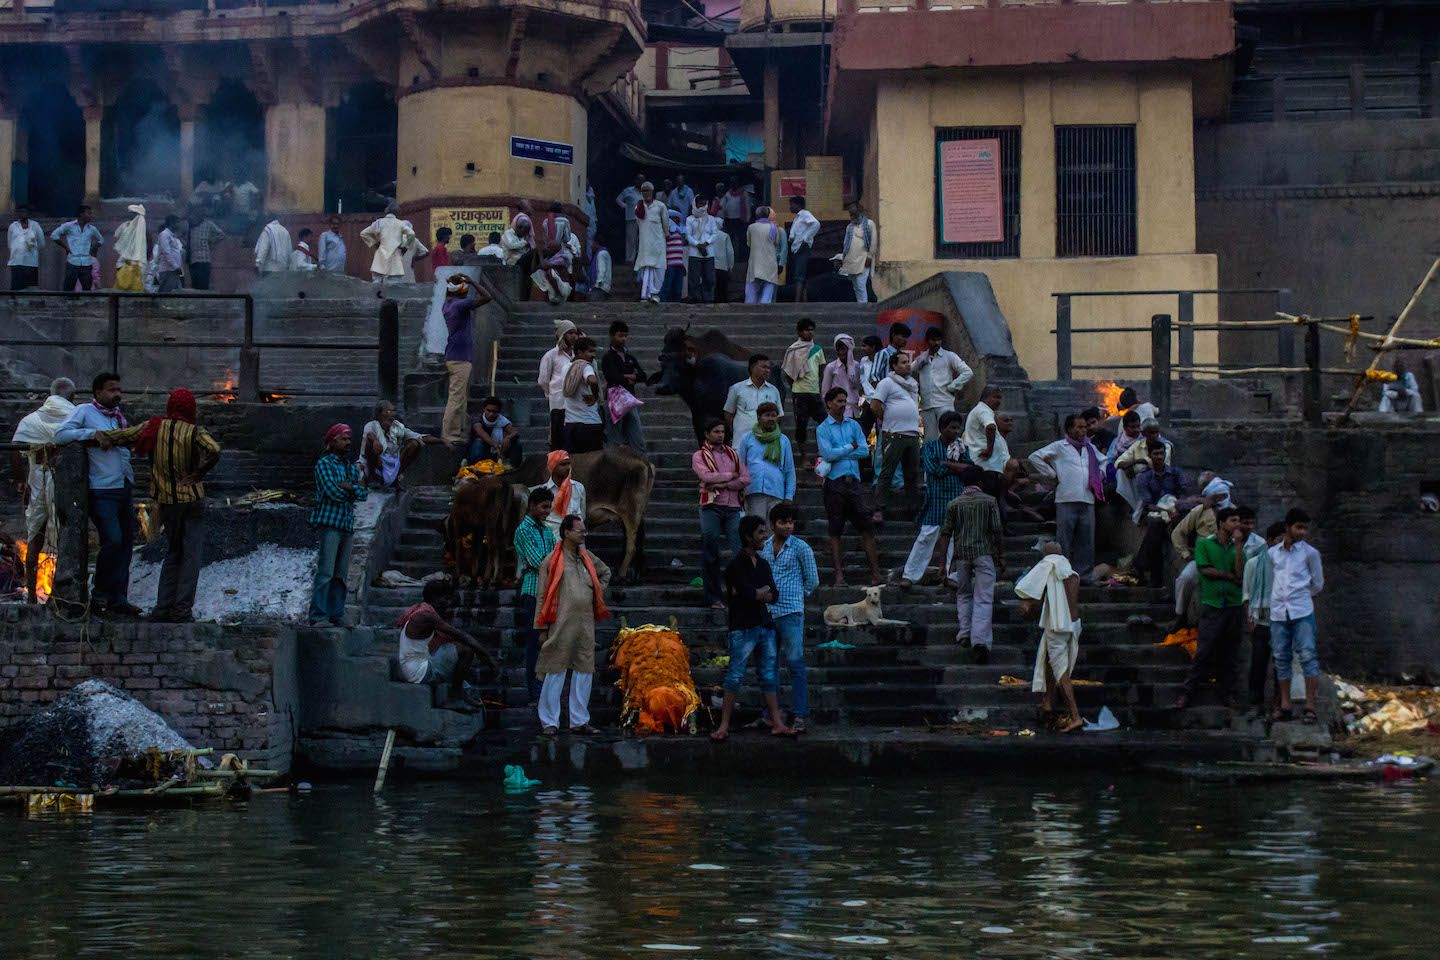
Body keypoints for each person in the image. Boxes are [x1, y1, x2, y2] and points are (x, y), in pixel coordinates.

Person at [101, 388, 221, 623]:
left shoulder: (153, 426)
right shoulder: (194, 431)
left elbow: (123, 436)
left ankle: (163, 607)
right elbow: (214, 450)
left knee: (173, 553)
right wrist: (199, 473)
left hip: (166, 502)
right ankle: (182, 610)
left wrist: (99, 436)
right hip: (192, 501)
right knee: (190, 556)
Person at [54, 373, 140, 616]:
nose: (117, 394)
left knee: (125, 544)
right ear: (98, 393)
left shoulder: (118, 417)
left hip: (123, 485)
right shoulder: (84, 412)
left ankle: (118, 598)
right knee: (112, 540)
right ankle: (100, 593)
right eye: (112, 390)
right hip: (102, 489)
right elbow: (61, 435)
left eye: (118, 389)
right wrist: (90, 434)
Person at [711, 514, 795, 741]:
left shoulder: (764, 563)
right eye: (760, 532)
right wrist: (757, 593)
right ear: (748, 536)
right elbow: (750, 593)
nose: (765, 537)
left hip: (763, 624)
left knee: (768, 675)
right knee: (735, 676)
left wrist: (757, 593)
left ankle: (777, 722)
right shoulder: (736, 565)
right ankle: (724, 725)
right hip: (742, 626)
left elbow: (772, 594)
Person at [534, 514, 611, 735]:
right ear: (567, 533)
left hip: (585, 623)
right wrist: (540, 628)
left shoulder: (587, 557)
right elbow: (542, 596)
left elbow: (605, 573)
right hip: (560, 623)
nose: (584, 534)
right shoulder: (551, 561)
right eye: (580, 531)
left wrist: (595, 590)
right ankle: (549, 721)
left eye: (584, 530)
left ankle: (579, 720)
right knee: (555, 670)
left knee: (584, 670)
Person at [1173, 506, 1247, 711]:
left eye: (1238, 521)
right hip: (1213, 604)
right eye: (1233, 521)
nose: (1237, 525)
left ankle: (1227, 693)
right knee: (1203, 651)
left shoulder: (1237, 547)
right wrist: (1228, 576)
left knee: (1230, 653)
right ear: (1222, 523)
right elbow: (1205, 569)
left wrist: (1239, 546)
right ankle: (1188, 693)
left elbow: (1240, 574)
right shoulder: (1204, 544)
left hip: (1233, 603)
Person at [10, 378, 77, 602]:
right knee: (66, 532)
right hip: (64, 479)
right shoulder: (76, 417)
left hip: (38, 478)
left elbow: (15, 447)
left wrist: (22, 482)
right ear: (72, 397)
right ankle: (61, 593)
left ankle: (32, 595)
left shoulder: (31, 420)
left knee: (35, 536)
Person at [937, 465, 1005, 662]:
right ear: (981, 483)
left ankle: (965, 632)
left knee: (964, 594)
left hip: (961, 555)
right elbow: (997, 531)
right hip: (984, 553)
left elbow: (945, 533)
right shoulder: (990, 501)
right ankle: (980, 641)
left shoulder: (954, 504)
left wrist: (943, 563)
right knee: (983, 597)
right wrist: (1002, 556)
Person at [817, 387, 883, 586]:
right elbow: (827, 455)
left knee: (866, 527)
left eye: (844, 401)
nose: (843, 404)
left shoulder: (853, 425)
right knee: (835, 530)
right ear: (829, 403)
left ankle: (876, 574)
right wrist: (849, 447)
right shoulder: (823, 428)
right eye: (838, 401)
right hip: (834, 483)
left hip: (853, 482)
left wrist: (842, 452)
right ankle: (839, 576)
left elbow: (864, 451)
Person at [395, 581, 498, 707]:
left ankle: (459, 691)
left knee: (455, 648)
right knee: (466, 649)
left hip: (413, 668)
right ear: (434, 597)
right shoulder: (427, 615)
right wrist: (490, 660)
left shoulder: (422, 609)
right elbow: (462, 636)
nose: (448, 603)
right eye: (445, 598)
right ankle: (455, 696)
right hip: (418, 672)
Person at [1015, 543, 1083, 732]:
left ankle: (1075, 716)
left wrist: (1028, 605)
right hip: (1073, 624)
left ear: (1045, 556)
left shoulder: (1048, 566)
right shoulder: (1072, 572)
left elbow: (1035, 591)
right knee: (1047, 659)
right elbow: (1054, 593)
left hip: (1057, 625)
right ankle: (1047, 703)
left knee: (1061, 672)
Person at [1028, 414, 1104, 581]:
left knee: (1086, 541)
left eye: (1085, 427)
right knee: (1065, 539)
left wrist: (1099, 475)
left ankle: (1084, 576)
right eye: (1079, 427)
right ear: (1069, 429)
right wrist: (1051, 473)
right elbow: (1034, 457)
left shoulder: (1090, 448)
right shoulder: (1059, 446)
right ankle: (1063, 574)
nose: (1083, 430)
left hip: (1087, 499)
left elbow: (1104, 461)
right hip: (1065, 499)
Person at [765, 502, 818, 732]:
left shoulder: (800, 548)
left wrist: (796, 596)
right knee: (770, 666)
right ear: (773, 525)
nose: (788, 526)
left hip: (791, 612)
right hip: (767, 613)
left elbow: (812, 580)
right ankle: (770, 714)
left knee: (795, 665)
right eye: (783, 522)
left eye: (790, 522)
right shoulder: (764, 547)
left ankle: (799, 715)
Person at [1268, 508, 1325, 724]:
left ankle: (1310, 706)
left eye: (1305, 528)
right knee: (1281, 658)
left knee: (1308, 656)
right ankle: (1285, 704)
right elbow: (1272, 580)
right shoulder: (1273, 553)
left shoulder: (1310, 553)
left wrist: (1300, 596)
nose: (1302, 532)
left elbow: (1318, 584)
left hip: (1302, 611)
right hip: (1278, 613)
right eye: (1298, 527)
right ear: (1287, 528)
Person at [308, 424, 368, 626]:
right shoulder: (324, 464)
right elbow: (333, 492)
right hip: (330, 523)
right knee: (325, 572)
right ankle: (318, 616)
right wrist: (353, 489)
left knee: (341, 575)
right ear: (332, 441)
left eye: (349, 439)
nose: (348, 443)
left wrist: (349, 487)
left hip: (346, 524)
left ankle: (336, 613)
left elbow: (363, 493)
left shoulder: (349, 467)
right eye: (344, 439)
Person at [899, 411, 967, 588]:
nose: (956, 431)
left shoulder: (961, 448)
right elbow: (933, 469)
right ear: (942, 428)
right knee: (926, 536)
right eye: (952, 428)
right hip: (936, 498)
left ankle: (951, 575)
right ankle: (910, 575)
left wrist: (948, 464)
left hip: (956, 496)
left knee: (954, 539)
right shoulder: (929, 447)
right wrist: (956, 468)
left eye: (958, 428)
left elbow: (969, 468)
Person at [693, 417, 749, 609]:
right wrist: (730, 477)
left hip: (733, 507)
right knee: (710, 549)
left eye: (722, 432)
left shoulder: (733, 454)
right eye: (716, 432)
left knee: (738, 551)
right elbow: (705, 477)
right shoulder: (699, 455)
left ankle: (739, 592)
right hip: (711, 506)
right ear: (707, 434)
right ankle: (713, 597)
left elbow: (746, 478)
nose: (720, 435)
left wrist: (723, 484)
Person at [513, 488, 558, 702]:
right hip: (532, 591)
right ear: (532, 506)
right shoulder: (523, 530)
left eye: (549, 507)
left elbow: (554, 559)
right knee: (534, 642)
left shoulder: (548, 532)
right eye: (543, 507)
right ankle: (534, 688)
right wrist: (554, 565)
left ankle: (544, 686)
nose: (547, 511)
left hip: (550, 591)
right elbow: (537, 561)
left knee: (547, 641)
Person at [1243, 520, 1285, 718]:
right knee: (1258, 664)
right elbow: (1247, 594)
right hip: (1261, 621)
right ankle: (1255, 704)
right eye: (1279, 540)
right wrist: (1250, 620)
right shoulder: (1253, 563)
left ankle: (1278, 704)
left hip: (1283, 621)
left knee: (1281, 665)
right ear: (1269, 541)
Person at [872, 351, 923, 512]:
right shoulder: (887, 382)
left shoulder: (912, 384)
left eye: (908, 361)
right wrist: (887, 418)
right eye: (903, 362)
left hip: (913, 435)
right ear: (894, 365)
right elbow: (875, 405)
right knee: (887, 472)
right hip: (894, 434)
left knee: (912, 474)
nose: (907, 364)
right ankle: (879, 508)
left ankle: (912, 508)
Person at [1130, 441, 1186, 588]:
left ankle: (1140, 564)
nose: (1160, 456)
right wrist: (1165, 511)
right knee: (1156, 525)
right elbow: (1148, 504)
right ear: (1149, 455)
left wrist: (1175, 509)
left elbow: (1183, 496)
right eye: (1156, 454)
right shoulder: (1144, 477)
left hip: (1175, 510)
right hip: (1154, 512)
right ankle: (1152, 576)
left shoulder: (1175, 473)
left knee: (1157, 532)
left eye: (1162, 453)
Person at [442, 273, 490, 443]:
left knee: (460, 398)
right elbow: (487, 297)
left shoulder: (448, 304)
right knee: (456, 398)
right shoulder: (459, 306)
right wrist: (473, 282)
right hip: (460, 358)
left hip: (455, 355)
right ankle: (449, 435)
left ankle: (459, 433)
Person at [361, 400, 442, 487]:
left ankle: (395, 478)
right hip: (375, 467)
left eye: (393, 411)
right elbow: (370, 434)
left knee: (414, 444)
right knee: (371, 443)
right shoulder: (372, 425)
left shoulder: (397, 428)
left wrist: (442, 441)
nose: (392, 414)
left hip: (392, 467)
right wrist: (376, 441)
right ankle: (373, 479)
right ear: (380, 414)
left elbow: (420, 437)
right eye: (388, 411)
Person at [912, 326, 973, 440]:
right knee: (930, 440)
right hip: (927, 406)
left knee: (949, 436)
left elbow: (967, 372)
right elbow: (909, 371)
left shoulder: (949, 356)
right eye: (933, 340)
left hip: (945, 403)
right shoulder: (922, 358)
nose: (936, 343)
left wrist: (953, 386)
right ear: (927, 341)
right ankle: (932, 458)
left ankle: (949, 458)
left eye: (939, 340)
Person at [600, 320, 649, 455]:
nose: (623, 339)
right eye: (620, 335)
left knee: (637, 440)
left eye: (625, 336)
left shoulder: (630, 357)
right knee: (614, 441)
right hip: (614, 402)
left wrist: (630, 377)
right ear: (611, 336)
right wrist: (630, 376)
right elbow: (612, 377)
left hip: (630, 401)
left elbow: (643, 375)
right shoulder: (608, 358)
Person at [739, 402, 795, 520]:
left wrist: (789, 496)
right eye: (767, 415)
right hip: (754, 490)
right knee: (756, 530)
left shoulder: (783, 440)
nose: (771, 419)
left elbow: (789, 470)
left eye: (774, 416)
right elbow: (740, 466)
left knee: (773, 533)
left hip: (777, 491)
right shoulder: (747, 438)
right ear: (759, 417)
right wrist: (740, 490)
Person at [781, 319, 826, 459]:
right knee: (801, 426)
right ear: (800, 332)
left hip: (814, 391)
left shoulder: (818, 349)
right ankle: (804, 457)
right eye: (807, 329)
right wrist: (796, 386)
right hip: (800, 393)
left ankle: (824, 452)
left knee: (825, 422)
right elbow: (788, 373)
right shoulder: (793, 349)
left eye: (812, 329)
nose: (810, 332)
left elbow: (821, 370)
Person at [724, 354, 784, 443]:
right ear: (752, 368)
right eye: (763, 367)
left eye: (768, 368)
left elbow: (778, 416)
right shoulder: (737, 388)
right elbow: (728, 414)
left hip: (766, 443)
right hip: (741, 441)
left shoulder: (773, 390)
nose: (767, 371)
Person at [539, 319, 579, 451]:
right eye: (570, 333)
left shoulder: (576, 355)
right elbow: (543, 380)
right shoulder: (550, 355)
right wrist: (552, 393)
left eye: (575, 333)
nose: (574, 336)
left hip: (573, 402)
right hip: (558, 401)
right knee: (557, 436)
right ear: (562, 335)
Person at [562, 336, 604, 454]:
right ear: (579, 352)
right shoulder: (585, 366)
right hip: (589, 424)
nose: (593, 355)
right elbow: (593, 380)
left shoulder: (566, 368)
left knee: (574, 464)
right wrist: (595, 396)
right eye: (590, 351)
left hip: (570, 424)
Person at [360, 202, 416, 283]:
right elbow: (411, 234)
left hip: (381, 254)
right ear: (398, 212)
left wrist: (375, 243)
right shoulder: (401, 224)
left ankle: (377, 295)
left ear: (386, 211)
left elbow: (364, 233)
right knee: (393, 282)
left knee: (377, 281)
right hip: (395, 254)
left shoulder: (379, 222)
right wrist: (405, 247)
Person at [51, 205, 104, 290]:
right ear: (81, 214)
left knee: (87, 289)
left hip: (86, 262)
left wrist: (93, 246)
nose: (90, 216)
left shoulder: (92, 229)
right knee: (68, 288)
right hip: (73, 261)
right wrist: (66, 247)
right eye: (88, 213)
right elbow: (54, 235)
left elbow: (101, 240)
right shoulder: (69, 226)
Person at [534, 450, 585, 537]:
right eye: (563, 464)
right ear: (553, 467)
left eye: (568, 464)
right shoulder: (543, 491)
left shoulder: (579, 488)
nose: (568, 467)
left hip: (573, 541)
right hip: (551, 540)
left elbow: (582, 516)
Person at [633, 182, 668, 302]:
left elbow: (665, 225)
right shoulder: (638, 207)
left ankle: (655, 293)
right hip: (645, 243)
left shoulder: (660, 206)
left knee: (659, 268)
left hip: (658, 242)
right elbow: (639, 224)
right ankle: (646, 293)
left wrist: (665, 236)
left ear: (652, 192)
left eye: (648, 190)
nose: (646, 193)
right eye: (643, 191)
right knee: (645, 268)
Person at [836, 201, 876, 303]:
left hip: (863, 259)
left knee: (861, 283)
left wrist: (870, 257)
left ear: (860, 212)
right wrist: (843, 259)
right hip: (851, 260)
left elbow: (873, 242)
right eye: (851, 214)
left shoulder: (870, 224)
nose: (852, 217)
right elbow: (846, 244)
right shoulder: (849, 227)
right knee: (855, 285)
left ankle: (864, 306)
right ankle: (860, 304)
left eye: (854, 214)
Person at [468, 396, 522, 467]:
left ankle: (514, 468)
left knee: (516, 443)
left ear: (499, 412)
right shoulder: (477, 418)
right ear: (484, 409)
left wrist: (508, 438)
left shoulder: (502, 420)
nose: (491, 414)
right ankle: (477, 468)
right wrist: (494, 444)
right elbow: (480, 431)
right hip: (481, 453)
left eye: (494, 412)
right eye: (488, 411)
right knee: (479, 442)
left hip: (498, 452)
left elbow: (515, 431)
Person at [821, 334, 864, 420]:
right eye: (838, 349)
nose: (841, 352)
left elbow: (860, 386)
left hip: (855, 410)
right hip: (838, 411)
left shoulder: (856, 366)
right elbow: (825, 392)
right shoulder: (831, 367)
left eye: (843, 349)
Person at [744, 206, 781, 304]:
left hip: (755, 263)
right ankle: (765, 307)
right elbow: (776, 242)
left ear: (756, 215)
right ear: (768, 215)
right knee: (768, 288)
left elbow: (749, 243)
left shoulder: (751, 227)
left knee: (752, 290)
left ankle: (750, 309)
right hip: (770, 263)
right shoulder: (774, 227)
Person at [786, 196, 820, 302]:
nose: (790, 207)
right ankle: (804, 300)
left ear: (798, 205)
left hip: (802, 248)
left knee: (799, 275)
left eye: (792, 204)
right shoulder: (797, 217)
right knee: (799, 274)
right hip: (795, 248)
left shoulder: (805, 214)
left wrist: (806, 239)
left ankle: (797, 301)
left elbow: (816, 224)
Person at [685, 200, 718, 303]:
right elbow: (688, 235)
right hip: (694, 253)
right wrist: (697, 244)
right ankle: (694, 299)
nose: (702, 206)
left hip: (709, 253)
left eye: (703, 204)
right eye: (699, 203)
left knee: (709, 278)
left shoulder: (711, 219)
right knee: (693, 279)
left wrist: (706, 243)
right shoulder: (689, 219)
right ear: (695, 205)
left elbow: (715, 233)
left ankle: (708, 299)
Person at [8, 204, 45, 291]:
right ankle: (14, 302)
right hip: (16, 261)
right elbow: (9, 243)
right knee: (16, 287)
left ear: (28, 213)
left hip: (31, 262)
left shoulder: (35, 226)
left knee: (31, 287)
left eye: (24, 212)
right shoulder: (13, 226)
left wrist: (32, 250)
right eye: (20, 212)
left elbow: (42, 243)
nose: (22, 214)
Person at [187, 211, 225, 290]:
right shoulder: (189, 225)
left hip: (204, 258)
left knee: (204, 283)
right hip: (193, 259)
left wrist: (211, 241)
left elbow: (221, 234)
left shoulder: (208, 224)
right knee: (195, 283)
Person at [718, 176, 751, 267]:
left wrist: (747, 219)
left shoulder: (744, 194)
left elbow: (747, 207)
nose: (733, 184)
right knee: (730, 240)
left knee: (741, 240)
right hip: (730, 220)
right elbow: (722, 205)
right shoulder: (728, 194)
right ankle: (731, 258)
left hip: (740, 221)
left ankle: (741, 259)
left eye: (735, 182)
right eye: (732, 182)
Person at [616, 174, 645, 264]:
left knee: (641, 239)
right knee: (631, 239)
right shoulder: (628, 190)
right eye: (639, 180)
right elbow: (618, 200)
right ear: (635, 180)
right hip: (631, 218)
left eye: (642, 180)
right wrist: (626, 207)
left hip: (643, 219)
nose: (640, 182)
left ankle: (640, 258)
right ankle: (630, 259)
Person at [660, 208, 687, 302]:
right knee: (667, 287)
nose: (678, 220)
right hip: (670, 264)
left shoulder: (678, 231)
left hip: (678, 264)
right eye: (676, 218)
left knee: (677, 289)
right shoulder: (667, 229)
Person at [155, 215, 189, 290]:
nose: (179, 224)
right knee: (166, 295)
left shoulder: (172, 236)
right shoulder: (164, 235)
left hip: (173, 270)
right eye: (177, 222)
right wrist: (175, 266)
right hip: (168, 270)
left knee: (174, 295)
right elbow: (166, 253)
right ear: (172, 223)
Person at [712, 220, 734, 304]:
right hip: (722, 266)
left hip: (709, 265)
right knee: (722, 288)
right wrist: (730, 266)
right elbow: (730, 252)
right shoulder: (724, 236)